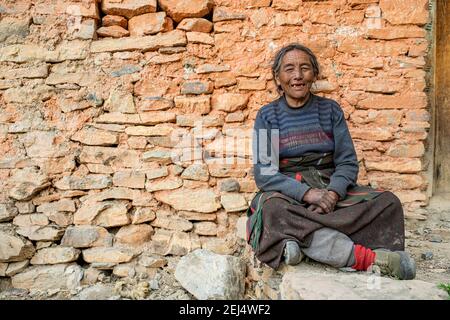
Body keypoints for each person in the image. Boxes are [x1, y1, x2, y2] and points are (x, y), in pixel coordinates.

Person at [247, 43, 416, 280]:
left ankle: (298, 242)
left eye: (305, 68)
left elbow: (347, 162)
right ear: (278, 77)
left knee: (388, 203)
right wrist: (308, 195)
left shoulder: (330, 110)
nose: (297, 76)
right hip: (289, 191)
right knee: (272, 211)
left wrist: (332, 194)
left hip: (329, 185)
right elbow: (265, 172)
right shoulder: (268, 115)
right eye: (289, 69)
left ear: (314, 74)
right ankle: (371, 259)